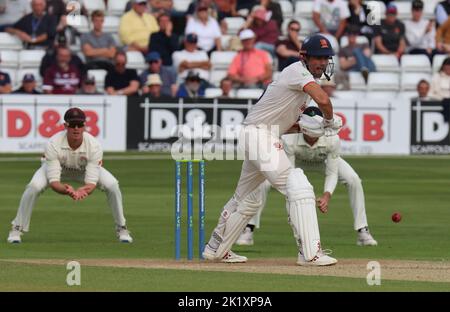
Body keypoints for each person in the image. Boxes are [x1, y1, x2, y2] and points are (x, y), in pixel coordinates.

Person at [202, 34, 342, 265]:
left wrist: (314, 129)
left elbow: (285, 125)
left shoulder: (299, 88)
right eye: (318, 57)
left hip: (258, 135)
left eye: (326, 58)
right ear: (304, 57)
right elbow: (324, 100)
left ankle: (216, 248)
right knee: (298, 186)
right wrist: (329, 121)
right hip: (259, 136)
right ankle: (310, 253)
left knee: (247, 198)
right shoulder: (298, 72)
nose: (322, 63)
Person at [235, 106, 377, 247]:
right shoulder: (289, 139)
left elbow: (332, 172)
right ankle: (249, 229)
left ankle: (362, 230)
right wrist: (304, 196)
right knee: (263, 183)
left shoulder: (332, 139)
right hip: (297, 162)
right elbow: (289, 175)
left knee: (354, 180)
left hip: (322, 161)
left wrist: (326, 195)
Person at [7, 107, 133, 244]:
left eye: (80, 125)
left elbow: (91, 183)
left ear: (85, 126)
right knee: (34, 186)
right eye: (72, 125)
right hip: (57, 169)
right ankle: (17, 228)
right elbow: (54, 182)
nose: (76, 129)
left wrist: (82, 191)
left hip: (82, 170)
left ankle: (122, 228)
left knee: (112, 185)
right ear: (65, 126)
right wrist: (67, 191)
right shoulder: (53, 143)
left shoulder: (94, 146)